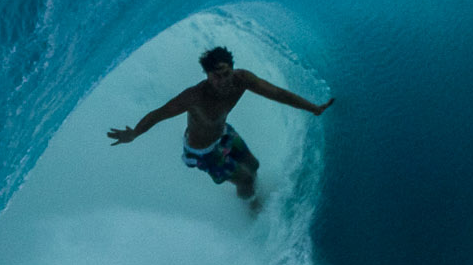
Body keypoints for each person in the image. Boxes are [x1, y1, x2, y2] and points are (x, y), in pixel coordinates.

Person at [106, 45, 334, 202]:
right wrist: (135, 132)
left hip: (223, 133)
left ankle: (247, 192)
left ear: (232, 69)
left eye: (226, 73)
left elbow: (276, 93)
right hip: (202, 151)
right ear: (207, 75)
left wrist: (313, 107)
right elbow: (159, 113)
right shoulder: (195, 96)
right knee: (245, 179)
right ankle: (250, 207)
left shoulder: (241, 80)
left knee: (253, 165)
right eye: (216, 76)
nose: (223, 80)